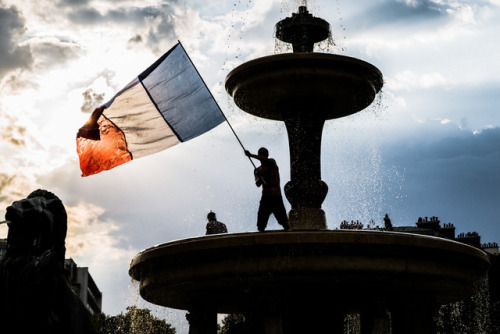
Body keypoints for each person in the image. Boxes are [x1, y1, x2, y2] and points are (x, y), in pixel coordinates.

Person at [245, 147, 291, 232]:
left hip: (276, 197)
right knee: (261, 224)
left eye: (264, 153)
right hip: (265, 199)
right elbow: (257, 184)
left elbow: (265, 160)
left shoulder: (272, 162)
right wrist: (259, 177)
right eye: (260, 153)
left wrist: (251, 155)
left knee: (284, 222)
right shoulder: (257, 170)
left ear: (267, 155)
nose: (262, 155)